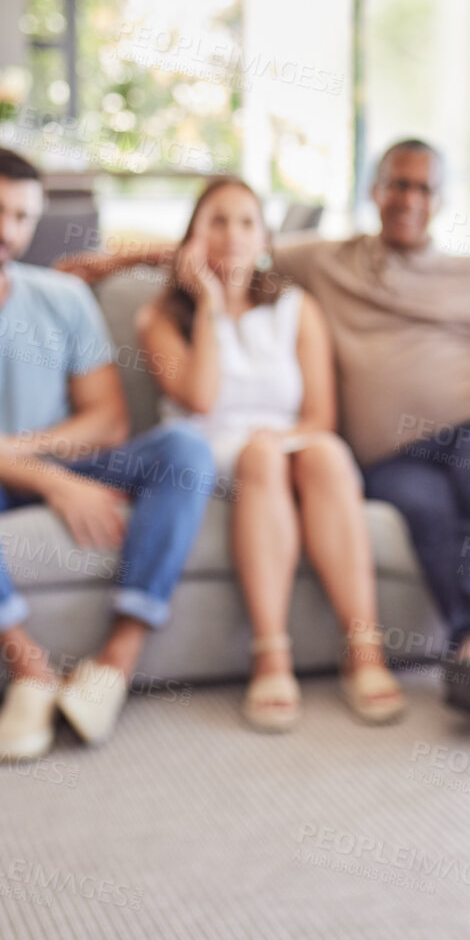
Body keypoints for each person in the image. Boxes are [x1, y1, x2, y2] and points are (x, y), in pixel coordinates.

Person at [64, 139, 470, 731]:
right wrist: (115, 260)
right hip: (393, 455)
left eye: (423, 188)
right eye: (397, 184)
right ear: (374, 191)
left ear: (438, 200)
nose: (409, 198)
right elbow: (218, 248)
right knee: (424, 509)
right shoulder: (326, 261)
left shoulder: (468, 275)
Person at [0, 147, 214, 761]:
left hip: (50, 456)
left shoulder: (62, 298)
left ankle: (114, 665)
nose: (5, 230)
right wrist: (53, 484)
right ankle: (29, 670)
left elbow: (107, 422)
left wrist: (28, 453)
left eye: (22, 216)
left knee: (185, 445)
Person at [128, 177, 405, 730]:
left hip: (286, 445)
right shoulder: (160, 317)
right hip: (209, 455)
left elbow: (320, 416)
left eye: (246, 223)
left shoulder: (296, 309)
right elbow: (201, 399)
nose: (232, 235)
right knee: (260, 457)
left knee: (325, 453)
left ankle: (363, 647)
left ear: (264, 240)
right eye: (217, 222)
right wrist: (209, 302)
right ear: (193, 237)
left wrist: (279, 441)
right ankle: (271, 652)